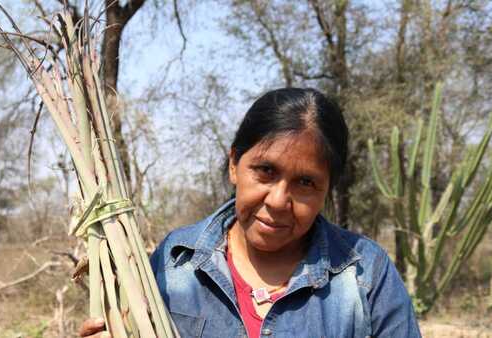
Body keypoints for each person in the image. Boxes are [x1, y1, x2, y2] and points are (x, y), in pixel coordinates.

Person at [80, 88, 422, 338]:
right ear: (234, 164)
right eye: (266, 171)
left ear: (327, 189)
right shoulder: (174, 261)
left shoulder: (364, 272)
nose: (278, 200)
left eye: (305, 182)